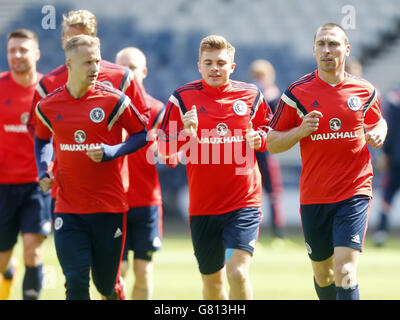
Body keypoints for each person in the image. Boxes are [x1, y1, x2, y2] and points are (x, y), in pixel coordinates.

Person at [267, 23, 387, 300]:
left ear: (346, 49)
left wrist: (379, 133)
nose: (327, 50)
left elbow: (378, 123)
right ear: (313, 50)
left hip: (354, 191)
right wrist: (300, 131)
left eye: (333, 44)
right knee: (323, 274)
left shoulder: (364, 90)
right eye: (321, 44)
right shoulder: (297, 93)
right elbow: (272, 142)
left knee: (345, 270)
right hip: (315, 195)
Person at [157, 35, 272, 300]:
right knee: (213, 284)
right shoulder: (182, 99)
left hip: (242, 205)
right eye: (208, 62)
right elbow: (164, 152)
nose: (214, 68)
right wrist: (187, 133)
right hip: (203, 209)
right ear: (199, 65)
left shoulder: (252, 95)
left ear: (232, 66)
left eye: (221, 62)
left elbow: (270, 134)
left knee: (237, 272)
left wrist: (262, 139)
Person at [34, 35, 148, 300]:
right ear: (69, 63)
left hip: (108, 208)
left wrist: (112, 152)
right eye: (87, 62)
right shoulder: (48, 105)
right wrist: (44, 169)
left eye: (97, 61)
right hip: (68, 209)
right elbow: (42, 137)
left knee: (105, 285)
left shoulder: (113, 100)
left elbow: (141, 134)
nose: (95, 68)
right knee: (75, 280)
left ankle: (114, 291)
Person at [26, 9, 149, 218]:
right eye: (70, 39)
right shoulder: (48, 83)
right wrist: (52, 162)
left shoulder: (121, 77)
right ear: (63, 40)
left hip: (112, 183)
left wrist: (113, 149)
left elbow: (142, 123)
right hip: (66, 187)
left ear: (94, 41)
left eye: (82, 38)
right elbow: (38, 131)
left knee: (116, 249)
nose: (75, 45)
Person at [0, 29, 51, 300]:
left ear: (37, 54)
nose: (17, 55)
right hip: (3, 186)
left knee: (33, 248)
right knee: (2, 258)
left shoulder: (48, 90)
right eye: (12, 50)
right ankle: (8, 272)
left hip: (36, 183)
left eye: (23, 49)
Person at [115, 47, 168, 299]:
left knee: (143, 270)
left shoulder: (157, 109)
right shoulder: (105, 107)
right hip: (114, 202)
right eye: (122, 67)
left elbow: (174, 154)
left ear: (144, 71)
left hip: (146, 201)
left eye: (133, 67)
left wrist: (166, 148)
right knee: (117, 270)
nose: (128, 72)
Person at [250, 59, 285, 238]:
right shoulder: (268, 94)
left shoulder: (253, 94)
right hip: (260, 149)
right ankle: (269, 234)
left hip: (260, 149)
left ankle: (275, 233)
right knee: (263, 192)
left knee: (270, 192)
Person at [373, 85, 400, 246]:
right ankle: (381, 232)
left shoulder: (394, 98)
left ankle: (381, 233)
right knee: (387, 196)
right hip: (395, 157)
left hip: (396, 157)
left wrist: (384, 153)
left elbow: (389, 127)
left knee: (387, 195)